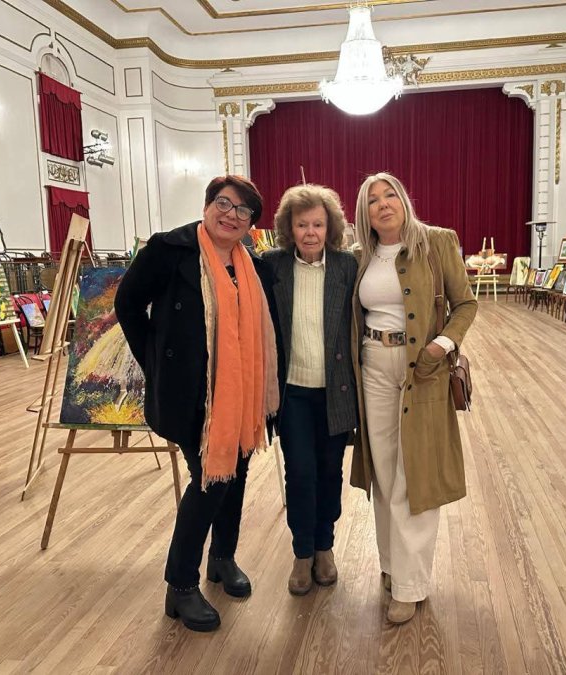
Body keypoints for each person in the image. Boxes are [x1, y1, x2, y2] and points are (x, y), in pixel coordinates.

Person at [115, 175, 280, 633]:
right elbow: (128, 304)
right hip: (190, 395)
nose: (231, 215)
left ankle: (222, 558)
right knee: (210, 481)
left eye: (243, 211)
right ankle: (180, 585)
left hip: (242, 396)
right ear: (207, 206)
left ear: (251, 224)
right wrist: (156, 360)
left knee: (235, 474)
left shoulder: (254, 266)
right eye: (223, 204)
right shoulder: (170, 251)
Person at [349, 172, 477, 624]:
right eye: (372, 200)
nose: (382, 204)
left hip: (420, 370)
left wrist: (442, 346)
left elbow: (465, 304)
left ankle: (411, 585)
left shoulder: (438, 242)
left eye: (389, 195)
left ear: (404, 199)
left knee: (414, 476)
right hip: (372, 367)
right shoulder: (361, 255)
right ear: (364, 213)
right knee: (383, 474)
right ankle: (391, 567)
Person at [261, 185, 358, 595]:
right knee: (300, 473)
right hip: (293, 393)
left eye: (318, 223)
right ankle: (302, 552)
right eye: (302, 224)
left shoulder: (346, 267)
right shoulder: (272, 265)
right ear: (289, 227)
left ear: (330, 226)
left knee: (329, 472)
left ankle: (325, 548)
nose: (311, 232)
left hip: (336, 391)